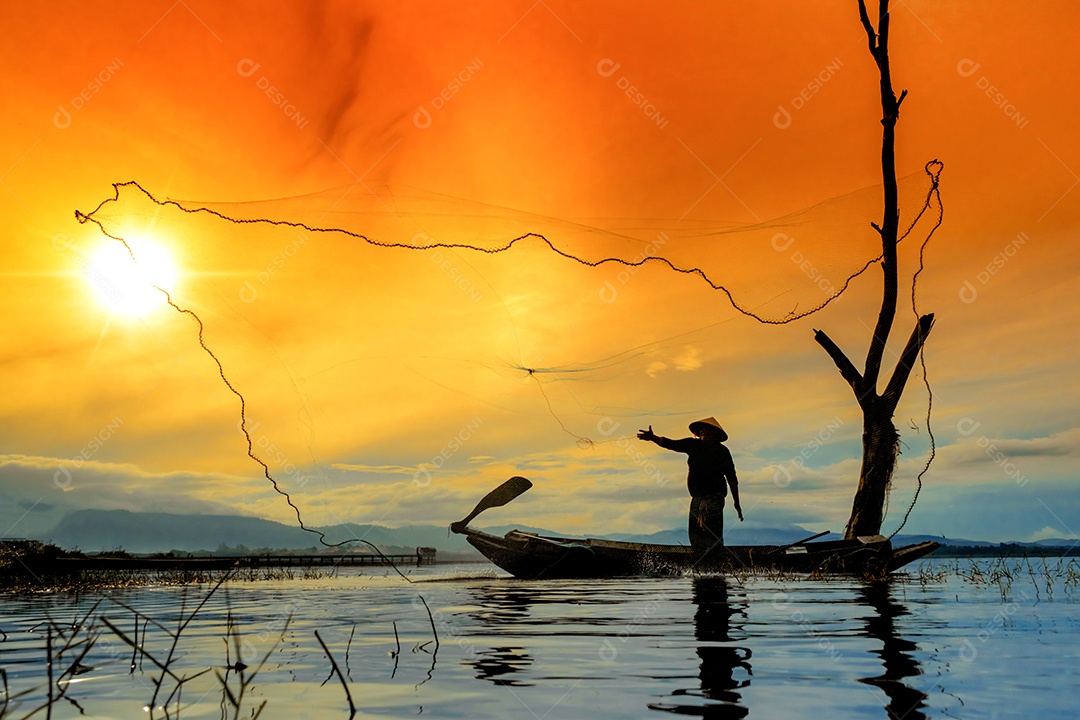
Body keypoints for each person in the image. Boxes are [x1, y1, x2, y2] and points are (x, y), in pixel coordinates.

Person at [637, 417, 743, 558]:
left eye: (707, 431)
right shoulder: (693, 445)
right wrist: (653, 438)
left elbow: (732, 478)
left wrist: (737, 503)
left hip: (714, 498)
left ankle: (716, 564)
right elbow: (671, 444)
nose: (704, 433)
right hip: (697, 498)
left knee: (712, 535)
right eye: (702, 431)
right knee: (695, 534)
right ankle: (700, 563)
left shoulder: (722, 451)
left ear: (715, 434)